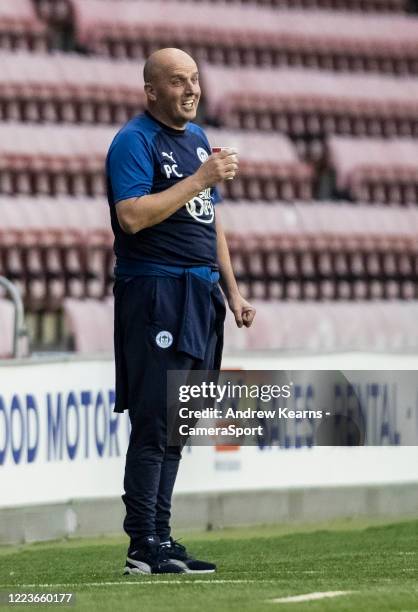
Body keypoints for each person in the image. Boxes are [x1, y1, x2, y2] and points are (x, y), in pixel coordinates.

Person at [106, 47, 256, 575]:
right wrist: (200, 178)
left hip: (201, 297)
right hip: (156, 295)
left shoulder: (195, 140)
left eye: (195, 79)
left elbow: (208, 223)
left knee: (177, 426)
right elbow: (130, 217)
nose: (191, 89)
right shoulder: (134, 141)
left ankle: (162, 538)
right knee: (154, 421)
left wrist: (232, 293)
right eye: (177, 81)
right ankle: (140, 543)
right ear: (151, 90)